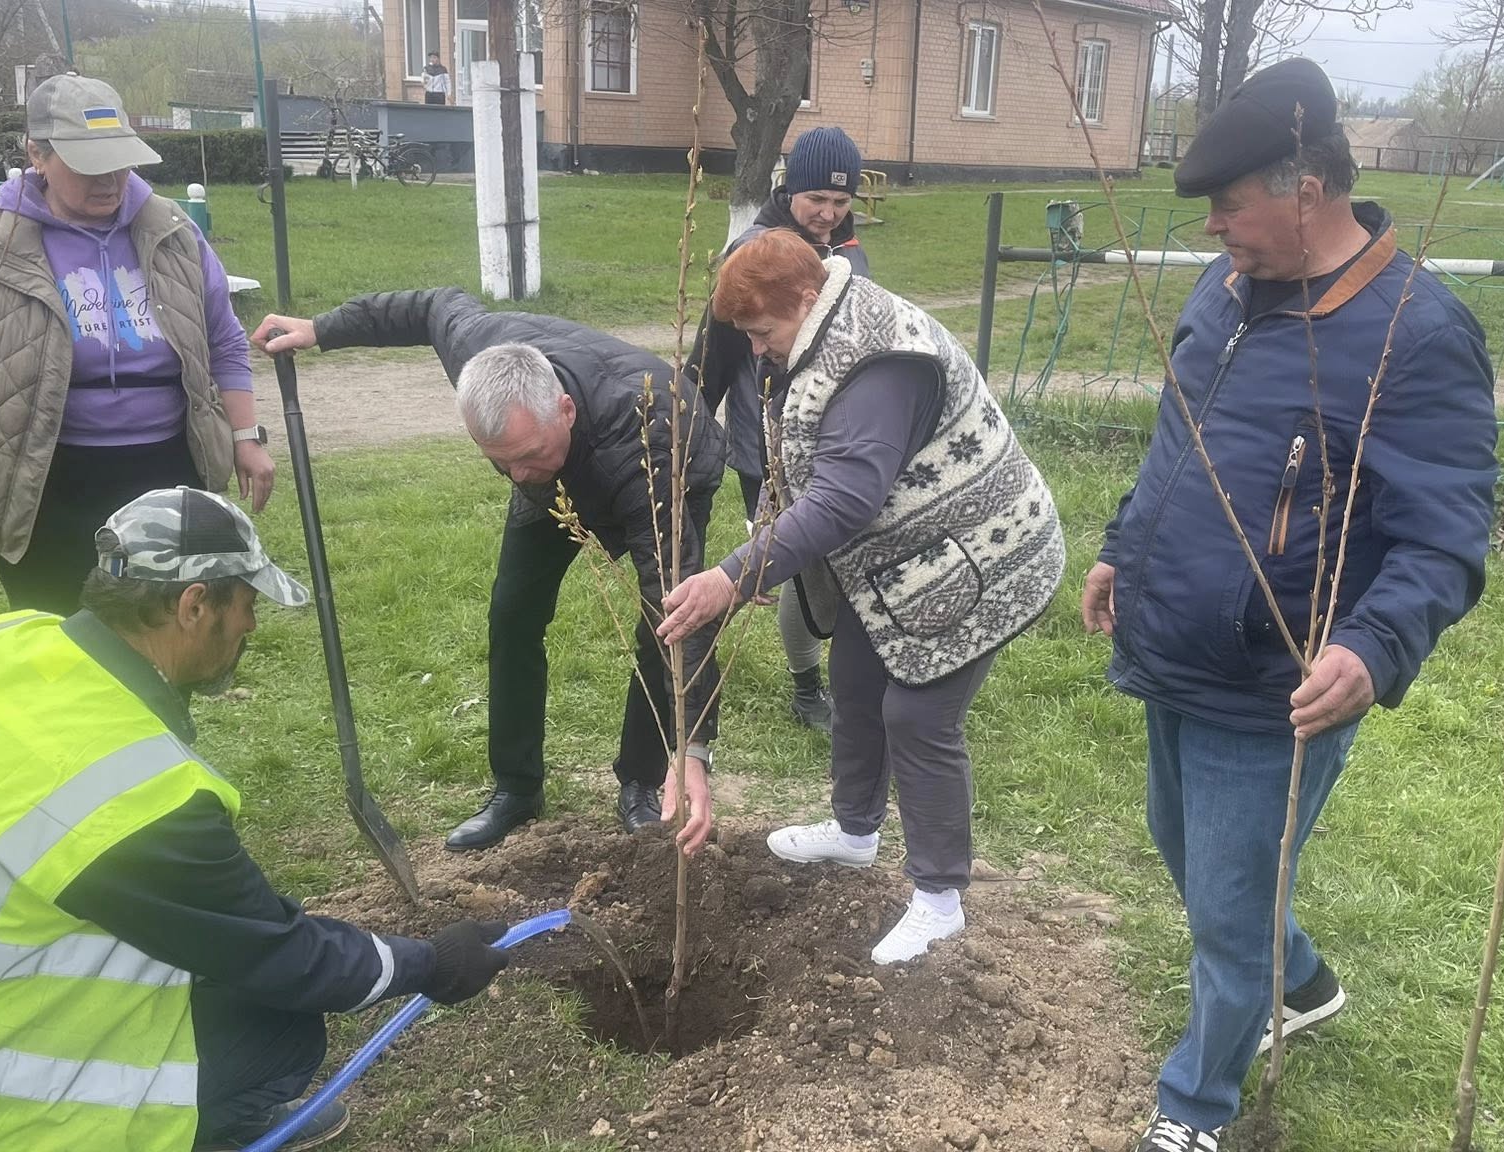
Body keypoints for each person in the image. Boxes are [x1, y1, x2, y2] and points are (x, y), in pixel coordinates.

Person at [0, 488, 517, 1152]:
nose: (250, 625)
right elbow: (282, 958)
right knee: (280, 1032)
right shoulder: (131, 796)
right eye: (245, 604)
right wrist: (432, 965)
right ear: (193, 605)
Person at [1081, 59, 1497, 1151]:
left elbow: (1445, 536)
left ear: (1304, 186)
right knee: (1187, 855)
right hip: (1173, 637)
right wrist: (1125, 546)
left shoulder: (1413, 333)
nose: (1213, 227)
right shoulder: (1221, 291)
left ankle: (1192, 1111)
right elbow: (1181, 437)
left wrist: (1372, 642)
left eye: (1227, 204)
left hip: (1282, 677)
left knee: (1222, 908)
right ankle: (1301, 984)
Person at [658, 229, 1065, 965]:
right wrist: (766, 541)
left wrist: (733, 575)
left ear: (806, 300)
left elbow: (844, 501)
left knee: (918, 716)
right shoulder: (818, 333)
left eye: (761, 333)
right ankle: (854, 832)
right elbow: (813, 464)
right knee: (853, 679)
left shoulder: (880, 362)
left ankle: (939, 899)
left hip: (983, 552)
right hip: (910, 558)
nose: (755, 349)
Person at [253, 291, 721, 854]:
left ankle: (645, 781)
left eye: (526, 453)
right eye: (500, 460)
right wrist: (321, 327)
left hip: (664, 468)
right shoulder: (480, 353)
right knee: (512, 613)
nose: (516, 473)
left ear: (564, 410)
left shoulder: (648, 438)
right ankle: (516, 787)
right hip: (566, 475)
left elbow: (680, 605)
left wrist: (691, 744)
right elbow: (427, 306)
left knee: (662, 620)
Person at [0, 72, 273, 617]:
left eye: (119, 162)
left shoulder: (174, 232)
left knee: (164, 628)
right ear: (37, 156)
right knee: (61, 632)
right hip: (41, 477)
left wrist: (245, 438)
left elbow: (224, 341)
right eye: (89, 165)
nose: (109, 180)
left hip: (167, 466)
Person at [690, 125, 870, 734]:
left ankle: (853, 681)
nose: (828, 214)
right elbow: (711, 357)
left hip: (840, 434)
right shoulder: (754, 255)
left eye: (842, 203)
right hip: (765, 443)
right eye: (817, 198)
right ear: (789, 186)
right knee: (797, 562)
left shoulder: (844, 247)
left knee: (836, 556)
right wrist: (689, 428)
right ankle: (807, 686)